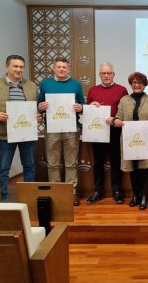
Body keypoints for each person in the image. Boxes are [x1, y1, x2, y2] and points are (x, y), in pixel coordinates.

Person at [0, 55, 38, 202]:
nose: (18, 69)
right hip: (4, 134)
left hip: (27, 133)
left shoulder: (31, 85)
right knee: (3, 168)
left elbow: (35, 109)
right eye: (15, 66)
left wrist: (38, 116)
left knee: (29, 167)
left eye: (21, 67)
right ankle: (2, 200)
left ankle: (29, 198)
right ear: (6, 67)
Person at [38, 57, 85, 206]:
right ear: (54, 68)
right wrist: (41, 107)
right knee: (53, 163)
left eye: (64, 67)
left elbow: (83, 106)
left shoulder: (76, 85)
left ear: (69, 69)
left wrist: (80, 108)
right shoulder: (45, 84)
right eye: (59, 67)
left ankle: (71, 193)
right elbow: (39, 104)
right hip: (51, 129)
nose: (61, 69)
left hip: (71, 129)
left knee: (71, 163)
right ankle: (56, 193)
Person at [113, 72, 148, 210]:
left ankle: (145, 197)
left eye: (140, 82)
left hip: (146, 140)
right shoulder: (124, 100)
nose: (137, 85)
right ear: (131, 84)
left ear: (144, 84)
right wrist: (116, 121)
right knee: (132, 169)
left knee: (145, 170)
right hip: (130, 142)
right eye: (134, 82)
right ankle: (136, 195)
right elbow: (117, 117)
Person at [85, 62, 128, 205]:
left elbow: (126, 112)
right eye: (103, 73)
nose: (106, 75)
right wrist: (90, 108)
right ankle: (98, 191)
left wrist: (116, 119)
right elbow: (86, 112)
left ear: (114, 74)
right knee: (98, 163)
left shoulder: (122, 90)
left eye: (109, 73)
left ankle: (116, 191)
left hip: (116, 132)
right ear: (100, 75)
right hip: (97, 132)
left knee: (116, 162)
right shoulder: (92, 90)